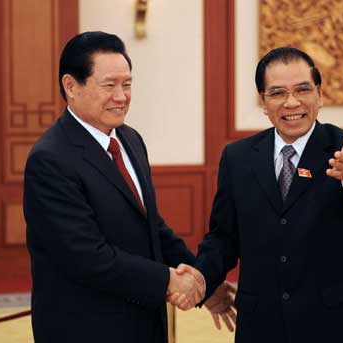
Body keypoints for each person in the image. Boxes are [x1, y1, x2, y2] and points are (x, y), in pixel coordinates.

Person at [23, 31, 233, 343]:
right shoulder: (50, 159)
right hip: (85, 328)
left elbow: (151, 227)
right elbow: (86, 256)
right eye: (109, 85)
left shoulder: (130, 140)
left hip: (142, 322)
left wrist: (203, 279)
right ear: (71, 86)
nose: (122, 96)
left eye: (127, 84)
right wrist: (170, 282)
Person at [194, 47, 343, 342]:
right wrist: (201, 281)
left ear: (319, 95)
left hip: (339, 324)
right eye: (277, 93)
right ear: (263, 101)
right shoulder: (238, 157)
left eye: (302, 90)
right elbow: (223, 237)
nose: (291, 103)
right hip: (263, 324)